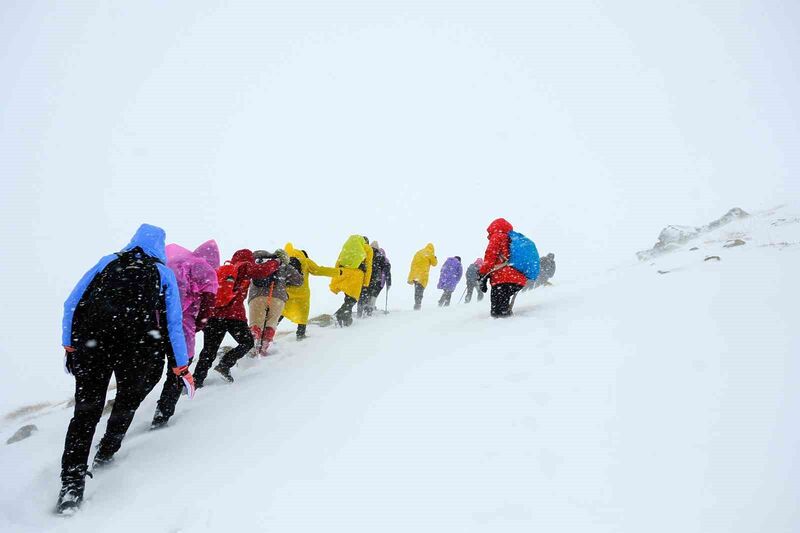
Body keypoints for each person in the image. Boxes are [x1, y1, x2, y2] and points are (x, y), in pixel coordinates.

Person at [57, 224, 193, 515]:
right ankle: (107, 449)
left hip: (94, 345)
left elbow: (70, 303)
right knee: (126, 402)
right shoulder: (162, 273)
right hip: (138, 347)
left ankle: (71, 484)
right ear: (160, 245)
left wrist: (69, 344)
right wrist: (181, 365)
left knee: (85, 413)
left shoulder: (108, 261)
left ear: (134, 240)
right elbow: (173, 325)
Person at [151, 240, 220, 429]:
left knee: (152, 369)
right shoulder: (204, 269)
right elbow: (208, 303)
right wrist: (200, 323)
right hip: (182, 328)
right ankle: (162, 415)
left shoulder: (170, 263)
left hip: (154, 325)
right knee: (179, 369)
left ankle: (126, 412)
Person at [192, 249, 279, 386]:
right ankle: (225, 364)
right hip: (233, 316)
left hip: (213, 316)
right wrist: (277, 262)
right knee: (247, 342)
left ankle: (196, 380)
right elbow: (262, 271)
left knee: (209, 350)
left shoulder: (222, 270)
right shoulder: (244, 266)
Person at [246, 249, 303, 357]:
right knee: (271, 325)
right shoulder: (282, 264)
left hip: (257, 296)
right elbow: (299, 281)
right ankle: (263, 349)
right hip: (277, 297)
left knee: (255, 325)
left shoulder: (255, 262)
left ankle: (252, 349)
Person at [282, 243, 337, 339]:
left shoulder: (284, 261)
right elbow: (319, 270)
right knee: (303, 314)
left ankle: (267, 333)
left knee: (281, 312)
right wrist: (337, 272)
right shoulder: (305, 261)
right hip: (302, 293)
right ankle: (300, 334)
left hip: (286, 293)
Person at [478, 218, 527, 317]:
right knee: (503, 307)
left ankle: (502, 328)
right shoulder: (512, 238)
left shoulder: (497, 236)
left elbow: (490, 257)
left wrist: (482, 274)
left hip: (501, 278)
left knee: (497, 313)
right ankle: (508, 324)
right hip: (517, 278)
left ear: (493, 227)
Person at [330, 235, 372, 326]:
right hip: (356, 275)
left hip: (344, 273)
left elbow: (338, 261)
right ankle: (338, 314)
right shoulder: (368, 249)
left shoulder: (348, 247)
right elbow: (368, 266)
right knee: (352, 298)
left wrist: (336, 276)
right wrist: (366, 282)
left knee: (348, 297)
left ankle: (347, 320)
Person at [358, 241, 391, 317]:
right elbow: (387, 270)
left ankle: (360, 310)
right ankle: (369, 310)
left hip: (366, 278)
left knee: (364, 294)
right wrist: (389, 283)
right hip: (377, 280)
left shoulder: (366, 254)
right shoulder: (380, 256)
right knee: (373, 295)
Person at [407, 243, 437, 310]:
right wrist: (435, 257)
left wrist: (411, 276)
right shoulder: (430, 253)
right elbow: (434, 263)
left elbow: (413, 264)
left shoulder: (419, 252)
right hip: (422, 275)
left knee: (417, 290)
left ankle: (417, 304)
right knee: (420, 290)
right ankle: (418, 306)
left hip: (415, 275)